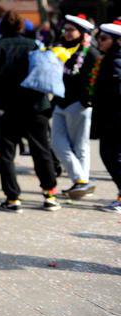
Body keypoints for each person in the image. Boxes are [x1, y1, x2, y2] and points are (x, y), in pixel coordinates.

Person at [0, 10, 61, 212]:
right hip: (35, 106)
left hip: (7, 108)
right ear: (21, 27)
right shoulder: (34, 45)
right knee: (41, 150)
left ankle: (13, 198)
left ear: (1, 28)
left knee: (6, 154)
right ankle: (49, 193)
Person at [50, 14, 100, 200]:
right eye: (66, 30)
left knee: (81, 146)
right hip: (60, 102)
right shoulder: (61, 49)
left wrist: (86, 100)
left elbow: (94, 81)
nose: (68, 33)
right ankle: (81, 180)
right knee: (56, 142)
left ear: (82, 33)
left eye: (72, 30)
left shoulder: (91, 53)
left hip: (79, 105)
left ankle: (80, 183)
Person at [92, 20, 121, 213]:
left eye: (103, 38)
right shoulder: (110, 57)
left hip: (115, 118)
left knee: (113, 156)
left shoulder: (117, 60)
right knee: (110, 155)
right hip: (110, 117)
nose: (99, 42)